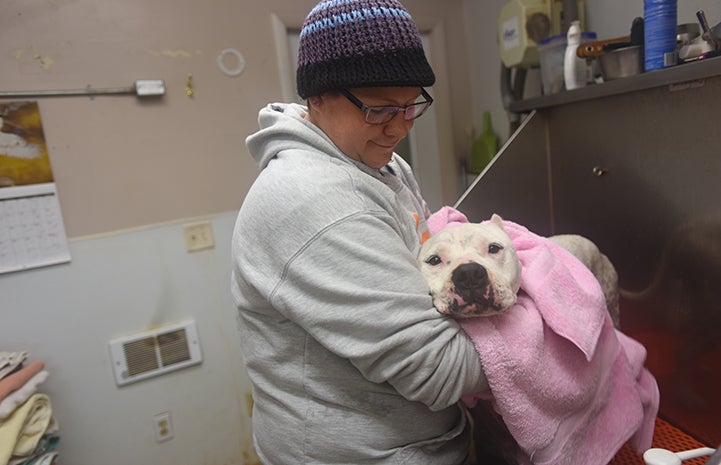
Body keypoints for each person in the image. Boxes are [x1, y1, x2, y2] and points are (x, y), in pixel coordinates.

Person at [230, 0, 488, 463]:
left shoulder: (380, 163)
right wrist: (550, 334)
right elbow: (438, 368)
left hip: (419, 442)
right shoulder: (316, 201)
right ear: (317, 98)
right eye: (380, 111)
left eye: (412, 105)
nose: (399, 128)